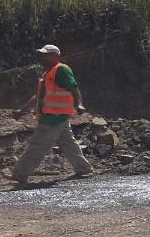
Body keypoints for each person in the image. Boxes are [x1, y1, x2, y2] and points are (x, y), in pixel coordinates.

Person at [10, 45, 93, 185]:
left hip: (54, 117)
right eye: (42, 55)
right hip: (56, 116)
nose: (43, 57)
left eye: (46, 55)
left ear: (55, 56)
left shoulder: (61, 70)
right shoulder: (47, 74)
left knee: (37, 145)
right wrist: (22, 110)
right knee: (68, 144)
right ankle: (84, 169)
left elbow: (74, 88)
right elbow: (38, 96)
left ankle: (20, 174)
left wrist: (79, 103)